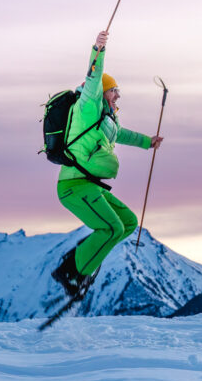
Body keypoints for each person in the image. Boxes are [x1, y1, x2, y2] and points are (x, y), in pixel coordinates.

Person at [51, 30, 162, 297]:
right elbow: (93, 78)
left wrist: (148, 142)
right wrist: (98, 50)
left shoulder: (106, 119)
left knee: (127, 222)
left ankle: (82, 261)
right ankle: (72, 274)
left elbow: (121, 134)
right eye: (114, 90)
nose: (118, 96)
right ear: (103, 91)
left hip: (92, 187)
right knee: (111, 227)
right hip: (73, 186)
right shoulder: (88, 105)